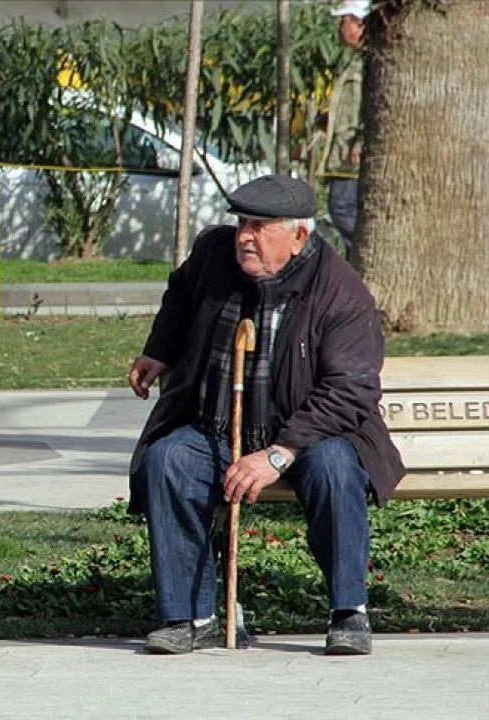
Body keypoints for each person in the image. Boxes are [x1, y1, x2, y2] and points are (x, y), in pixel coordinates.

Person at [126, 174, 404, 656]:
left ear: (298, 236)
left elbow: (350, 392)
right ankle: (194, 616)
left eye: (260, 226)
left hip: (313, 435)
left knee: (337, 471)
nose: (244, 236)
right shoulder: (215, 255)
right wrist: (159, 351)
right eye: (241, 224)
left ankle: (349, 613)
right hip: (218, 427)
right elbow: (181, 293)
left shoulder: (340, 292)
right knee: (167, 461)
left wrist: (277, 454)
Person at [325, 0, 370, 248]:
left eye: (344, 22)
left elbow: (371, 107)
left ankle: (362, 251)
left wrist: (361, 142)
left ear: (360, 24)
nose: (340, 28)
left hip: (350, 157)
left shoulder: (369, 62)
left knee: (342, 208)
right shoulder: (352, 61)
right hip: (341, 152)